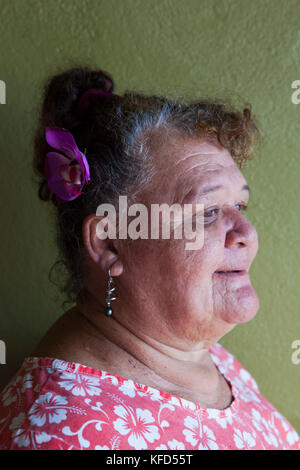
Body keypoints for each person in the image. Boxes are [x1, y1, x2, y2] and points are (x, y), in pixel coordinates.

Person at [0, 66, 299, 451]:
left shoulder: (194, 352)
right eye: (207, 212)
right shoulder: (60, 435)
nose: (247, 233)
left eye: (240, 204)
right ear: (109, 243)